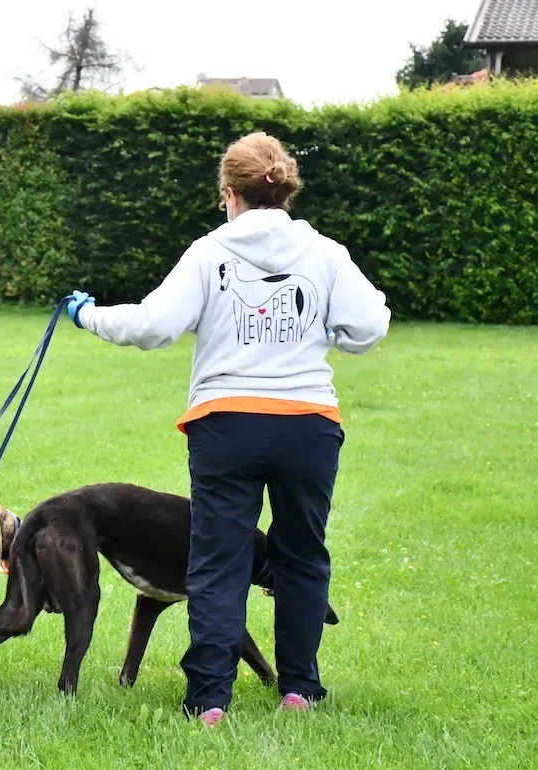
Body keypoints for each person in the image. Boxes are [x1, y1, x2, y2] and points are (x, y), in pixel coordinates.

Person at [67, 132, 390, 726]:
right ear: (284, 190)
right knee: (301, 556)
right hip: (308, 426)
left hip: (227, 425)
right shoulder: (325, 253)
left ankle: (210, 699)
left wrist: (87, 314)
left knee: (217, 560)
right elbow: (369, 325)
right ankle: (300, 688)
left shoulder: (207, 253)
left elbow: (153, 325)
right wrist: (328, 336)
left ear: (229, 194)